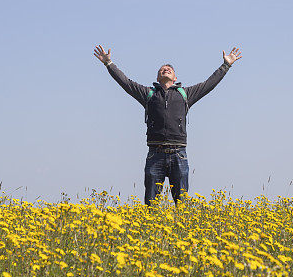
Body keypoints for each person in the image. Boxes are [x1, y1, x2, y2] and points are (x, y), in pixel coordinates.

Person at [93, 45, 242, 206]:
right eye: (162, 69)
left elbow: (208, 84)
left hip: (179, 154)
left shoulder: (185, 94)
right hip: (154, 155)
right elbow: (126, 83)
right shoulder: (148, 94)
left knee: (182, 206)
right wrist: (109, 64)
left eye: (169, 69)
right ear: (157, 78)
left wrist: (226, 65)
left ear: (175, 77)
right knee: (151, 205)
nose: (165, 69)